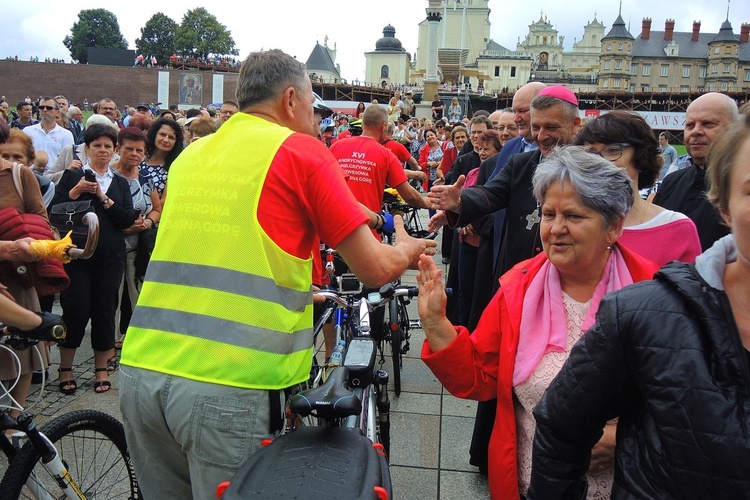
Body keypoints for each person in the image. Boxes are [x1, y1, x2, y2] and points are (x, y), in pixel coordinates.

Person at [118, 49, 436, 500]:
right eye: (312, 106)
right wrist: (406, 247)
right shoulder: (300, 151)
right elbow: (374, 266)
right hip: (230, 384)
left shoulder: (193, 156)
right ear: (290, 100)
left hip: (142, 371)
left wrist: (298, 292)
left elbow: (224, 251)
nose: (316, 119)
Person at [529, 115, 750, 500]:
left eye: (612, 150)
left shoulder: (673, 234)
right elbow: (560, 427)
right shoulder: (650, 311)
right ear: (725, 207)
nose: (557, 227)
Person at [418, 146, 658, 499]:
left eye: (574, 216)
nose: (556, 229)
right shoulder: (519, 287)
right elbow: (481, 376)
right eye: (548, 214)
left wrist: (624, 437)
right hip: (532, 486)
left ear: (614, 226)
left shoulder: (653, 293)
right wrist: (436, 323)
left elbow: (690, 409)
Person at [53, 124, 138, 395]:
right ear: (87, 148)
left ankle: (102, 367)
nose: (102, 150)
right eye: (97, 145)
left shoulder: (120, 182)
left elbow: (127, 219)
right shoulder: (72, 176)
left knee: (104, 309)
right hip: (77, 254)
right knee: (76, 308)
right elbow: (53, 212)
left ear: (114, 150)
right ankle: (65, 367)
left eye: (107, 146)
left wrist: (102, 198)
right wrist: (75, 192)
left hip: (110, 254)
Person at [575, 111, 701, 265]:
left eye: (613, 150)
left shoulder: (677, 229)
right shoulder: (569, 224)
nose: (600, 161)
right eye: (590, 153)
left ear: (640, 156)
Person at [0, 119, 53, 416]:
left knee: (22, 349)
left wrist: (23, 239)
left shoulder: (20, 176)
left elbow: (41, 221)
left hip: (16, 275)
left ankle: (14, 421)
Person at [654, 92, 739, 251]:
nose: (696, 131)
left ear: (734, 129)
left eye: (708, 124)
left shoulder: (742, 187)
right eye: (690, 125)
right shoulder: (672, 181)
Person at [331, 104, 429, 220]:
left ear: (362, 124)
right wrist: (427, 203)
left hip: (334, 225)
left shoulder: (336, 147)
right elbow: (410, 196)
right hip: (367, 228)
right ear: (384, 126)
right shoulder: (386, 156)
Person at [111, 127, 161, 347]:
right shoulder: (108, 176)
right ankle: (108, 341)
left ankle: (132, 338)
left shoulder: (145, 178)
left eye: (139, 150)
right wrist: (122, 227)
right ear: (118, 148)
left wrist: (147, 223)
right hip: (112, 247)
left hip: (137, 249)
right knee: (111, 297)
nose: (134, 154)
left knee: (135, 295)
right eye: (129, 149)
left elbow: (156, 209)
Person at [141, 117, 183, 201]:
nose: (166, 140)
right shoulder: (140, 161)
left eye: (171, 137)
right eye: (162, 134)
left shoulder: (176, 166)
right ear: (154, 135)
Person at [22, 96, 74, 166]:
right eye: (41, 107)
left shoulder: (66, 135)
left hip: (55, 175)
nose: (45, 110)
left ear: (57, 112)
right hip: (31, 174)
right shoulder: (27, 131)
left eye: (49, 108)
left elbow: (69, 161)